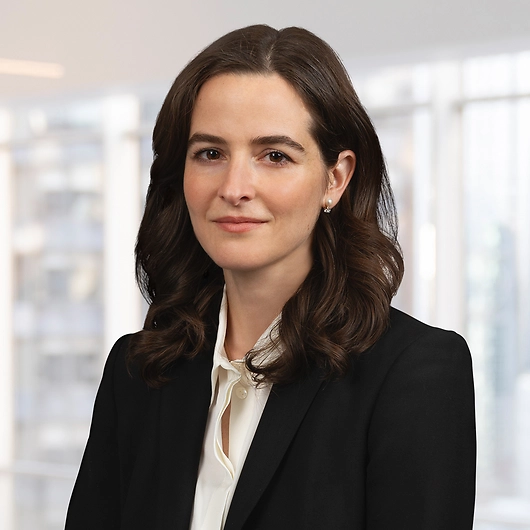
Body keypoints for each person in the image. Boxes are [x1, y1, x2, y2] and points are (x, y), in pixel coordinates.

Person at [65, 24, 476, 530]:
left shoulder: (415, 374)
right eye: (210, 153)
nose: (235, 187)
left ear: (335, 178)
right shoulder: (137, 371)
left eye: (275, 156)